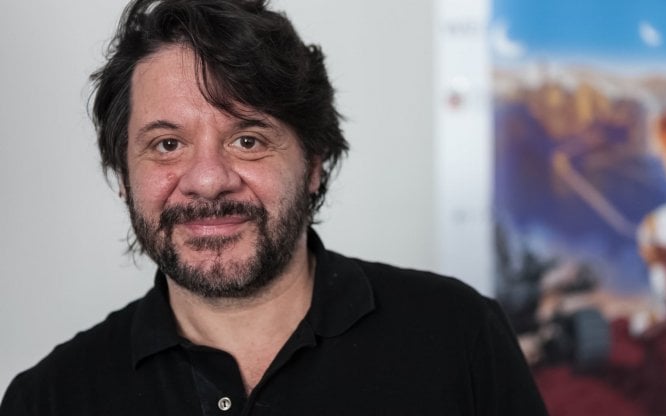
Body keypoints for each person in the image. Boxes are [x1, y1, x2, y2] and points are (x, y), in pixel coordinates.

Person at [0, 0, 547, 414]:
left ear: (313, 164)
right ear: (123, 175)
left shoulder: (459, 336)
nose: (208, 180)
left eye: (248, 140)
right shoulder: (47, 400)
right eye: (167, 144)